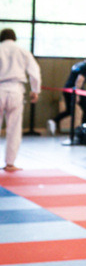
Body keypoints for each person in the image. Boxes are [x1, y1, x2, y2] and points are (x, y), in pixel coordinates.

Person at [0, 28, 41, 171]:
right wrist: (35, 90)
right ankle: (10, 164)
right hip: (16, 89)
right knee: (14, 128)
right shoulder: (22, 50)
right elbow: (34, 71)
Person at [48, 54, 86, 135]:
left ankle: (54, 120)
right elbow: (79, 80)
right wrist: (77, 94)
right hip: (75, 90)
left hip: (67, 89)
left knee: (69, 110)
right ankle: (83, 130)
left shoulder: (78, 65)